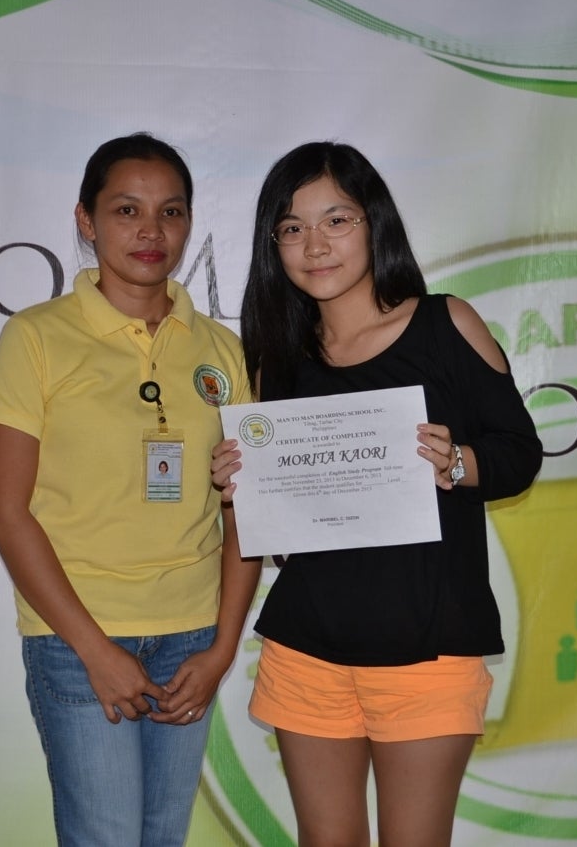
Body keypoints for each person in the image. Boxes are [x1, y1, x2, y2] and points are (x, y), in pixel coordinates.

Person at [211, 142, 543, 846]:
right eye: (292, 228)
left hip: (429, 650)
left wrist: (458, 462)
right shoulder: (280, 361)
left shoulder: (446, 324)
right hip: (307, 649)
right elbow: (284, 535)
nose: (315, 244)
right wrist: (246, 486)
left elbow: (520, 453)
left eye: (336, 220)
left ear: (375, 223)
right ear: (274, 245)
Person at [0, 133, 260, 846]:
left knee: (162, 837)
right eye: (127, 210)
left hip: (192, 638)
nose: (150, 231)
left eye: (170, 212)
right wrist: (96, 651)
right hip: (78, 638)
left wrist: (222, 648)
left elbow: (248, 512)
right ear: (86, 220)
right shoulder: (35, 337)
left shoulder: (221, 349)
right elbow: (6, 512)